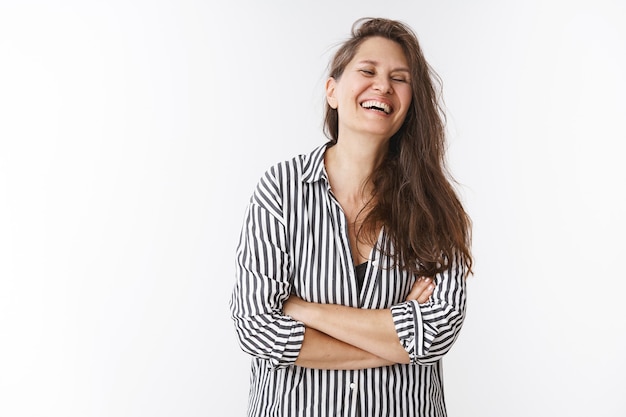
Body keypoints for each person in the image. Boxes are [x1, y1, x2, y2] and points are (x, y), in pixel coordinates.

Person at [229, 17, 473, 417]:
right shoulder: (281, 190)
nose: (383, 86)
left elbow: (436, 334)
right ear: (332, 91)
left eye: (400, 78)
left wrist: (305, 310)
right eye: (367, 71)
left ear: (410, 104)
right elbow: (258, 329)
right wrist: (393, 338)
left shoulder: (434, 204)